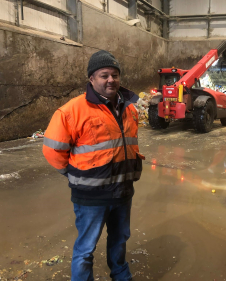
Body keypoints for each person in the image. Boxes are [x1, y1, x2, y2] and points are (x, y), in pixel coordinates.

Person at [43, 50, 144, 281]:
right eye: (104, 75)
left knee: (120, 240)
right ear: (92, 79)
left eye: (115, 75)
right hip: (91, 196)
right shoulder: (72, 110)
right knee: (86, 249)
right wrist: (73, 174)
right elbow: (52, 150)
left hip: (123, 191)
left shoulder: (129, 107)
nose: (111, 80)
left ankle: (121, 276)